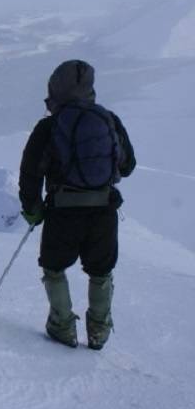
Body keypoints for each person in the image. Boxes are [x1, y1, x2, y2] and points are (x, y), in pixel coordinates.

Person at [19, 59, 136, 350]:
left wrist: (32, 208)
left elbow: (31, 172)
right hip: (103, 209)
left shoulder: (49, 126)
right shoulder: (108, 119)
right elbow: (129, 164)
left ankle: (62, 326)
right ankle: (99, 331)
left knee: (54, 268)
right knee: (100, 271)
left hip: (63, 210)